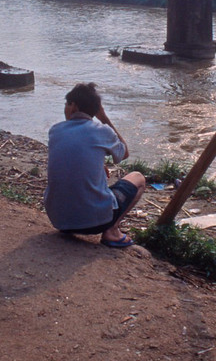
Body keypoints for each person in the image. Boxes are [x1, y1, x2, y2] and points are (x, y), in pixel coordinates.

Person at [45, 82, 146, 247]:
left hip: (59, 219)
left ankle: (100, 225)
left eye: (66, 104)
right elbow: (124, 153)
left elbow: (74, 155)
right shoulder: (102, 131)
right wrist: (104, 118)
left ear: (73, 107)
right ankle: (112, 230)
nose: (65, 108)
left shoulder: (55, 131)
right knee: (138, 177)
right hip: (95, 222)